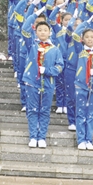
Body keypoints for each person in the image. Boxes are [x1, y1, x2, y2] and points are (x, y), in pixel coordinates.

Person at [21, 20, 64, 148]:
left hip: (48, 83)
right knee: (33, 110)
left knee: (45, 110)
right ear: (36, 32)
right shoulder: (32, 45)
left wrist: (48, 71)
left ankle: (42, 136)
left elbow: (60, 66)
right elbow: (24, 29)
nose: (42, 32)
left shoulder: (55, 49)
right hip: (32, 82)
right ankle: (33, 136)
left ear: (50, 32)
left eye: (45, 30)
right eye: (40, 30)